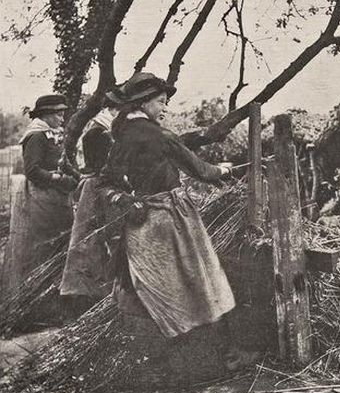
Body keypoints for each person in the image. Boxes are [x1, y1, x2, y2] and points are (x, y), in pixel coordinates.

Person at [100, 72, 253, 371]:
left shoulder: (121, 137)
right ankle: (227, 357)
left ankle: (162, 364)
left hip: (141, 226)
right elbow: (204, 173)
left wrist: (125, 200)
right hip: (172, 221)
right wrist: (228, 170)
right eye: (160, 102)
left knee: (155, 289)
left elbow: (106, 183)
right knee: (205, 282)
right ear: (142, 103)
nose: (164, 108)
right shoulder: (161, 136)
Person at [2, 94, 77, 293]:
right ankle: (37, 297)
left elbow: (63, 162)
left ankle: (52, 295)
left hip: (56, 196)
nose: (62, 118)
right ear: (46, 115)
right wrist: (59, 179)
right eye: (58, 114)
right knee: (45, 245)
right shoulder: (36, 136)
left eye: (63, 114)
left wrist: (78, 176)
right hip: (41, 197)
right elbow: (32, 171)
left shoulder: (52, 134)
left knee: (58, 243)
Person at [59, 89, 123, 314]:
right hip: (97, 189)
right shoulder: (99, 133)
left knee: (92, 243)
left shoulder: (103, 129)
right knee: (89, 244)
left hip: (98, 187)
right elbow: (104, 168)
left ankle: (91, 298)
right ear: (114, 109)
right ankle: (82, 301)